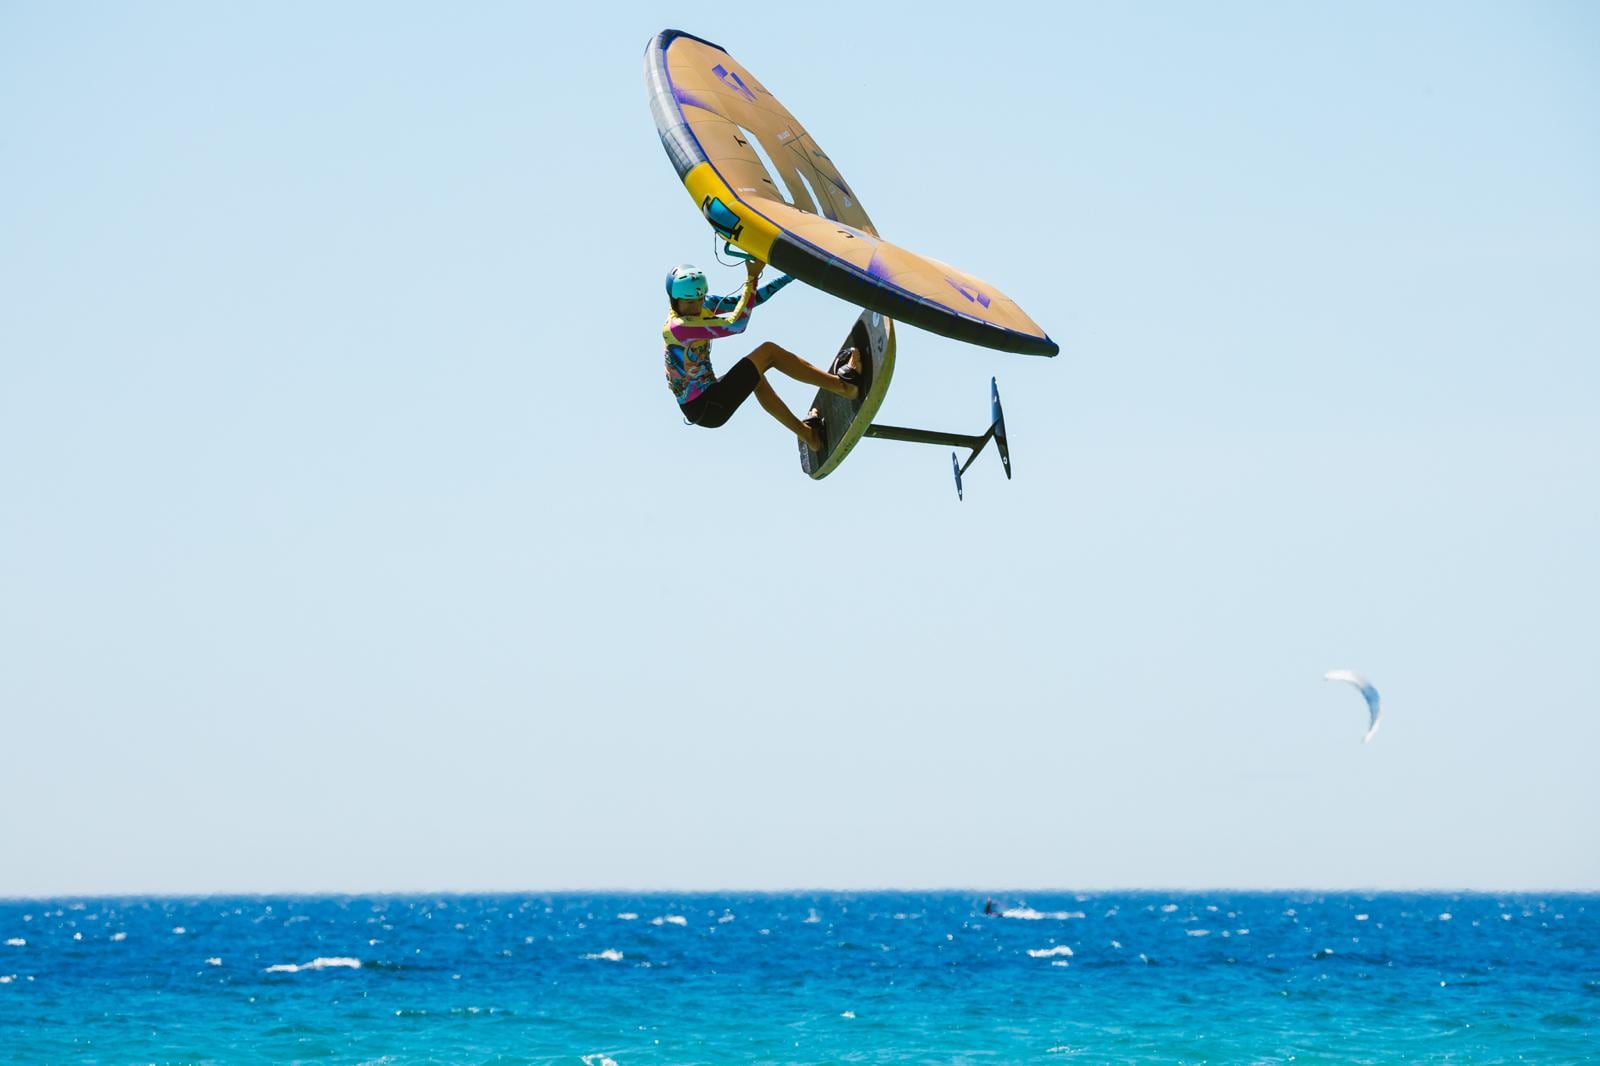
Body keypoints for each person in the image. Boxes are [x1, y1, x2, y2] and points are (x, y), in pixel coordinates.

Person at [663, 257, 861, 451]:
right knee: (769, 352)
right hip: (707, 406)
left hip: (707, 401)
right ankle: (843, 387)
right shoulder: (679, 328)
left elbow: (753, 299)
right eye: (689, 303)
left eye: (699, 300)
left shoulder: (704, 305)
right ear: (674, 302)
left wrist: (792, 274)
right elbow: (737, 324)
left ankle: (810, 436)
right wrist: (751, 276)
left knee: (754, 376)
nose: (696, 307)